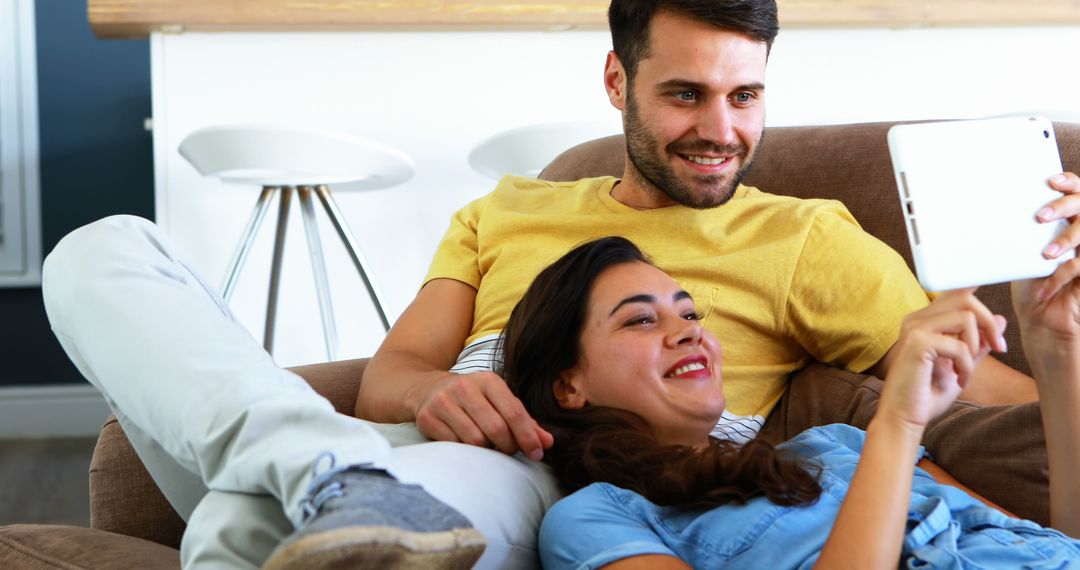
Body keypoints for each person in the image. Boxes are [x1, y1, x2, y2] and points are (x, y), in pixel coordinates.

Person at [40, 0, 1080, 567]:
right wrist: (431, 391)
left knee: (237, 524)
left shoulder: (806, 235)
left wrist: (1050, 340)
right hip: (402, 442)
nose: (722, 130)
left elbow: (985, 404)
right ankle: (317, 474)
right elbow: (393, 370)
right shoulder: (503, 210)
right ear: (618, 83)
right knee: (97, 247)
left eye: (746, 95)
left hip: (533, 467)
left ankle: (305, 484)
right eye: (685, 94)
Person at [500, 235, 1080, 568]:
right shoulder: (595, 519)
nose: (688, 332)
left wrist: (1057, 346)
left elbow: (1053, 544)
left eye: (690, 313)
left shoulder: (836, 444)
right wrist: (897, 425)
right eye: (642, 320)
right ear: (566, 385)